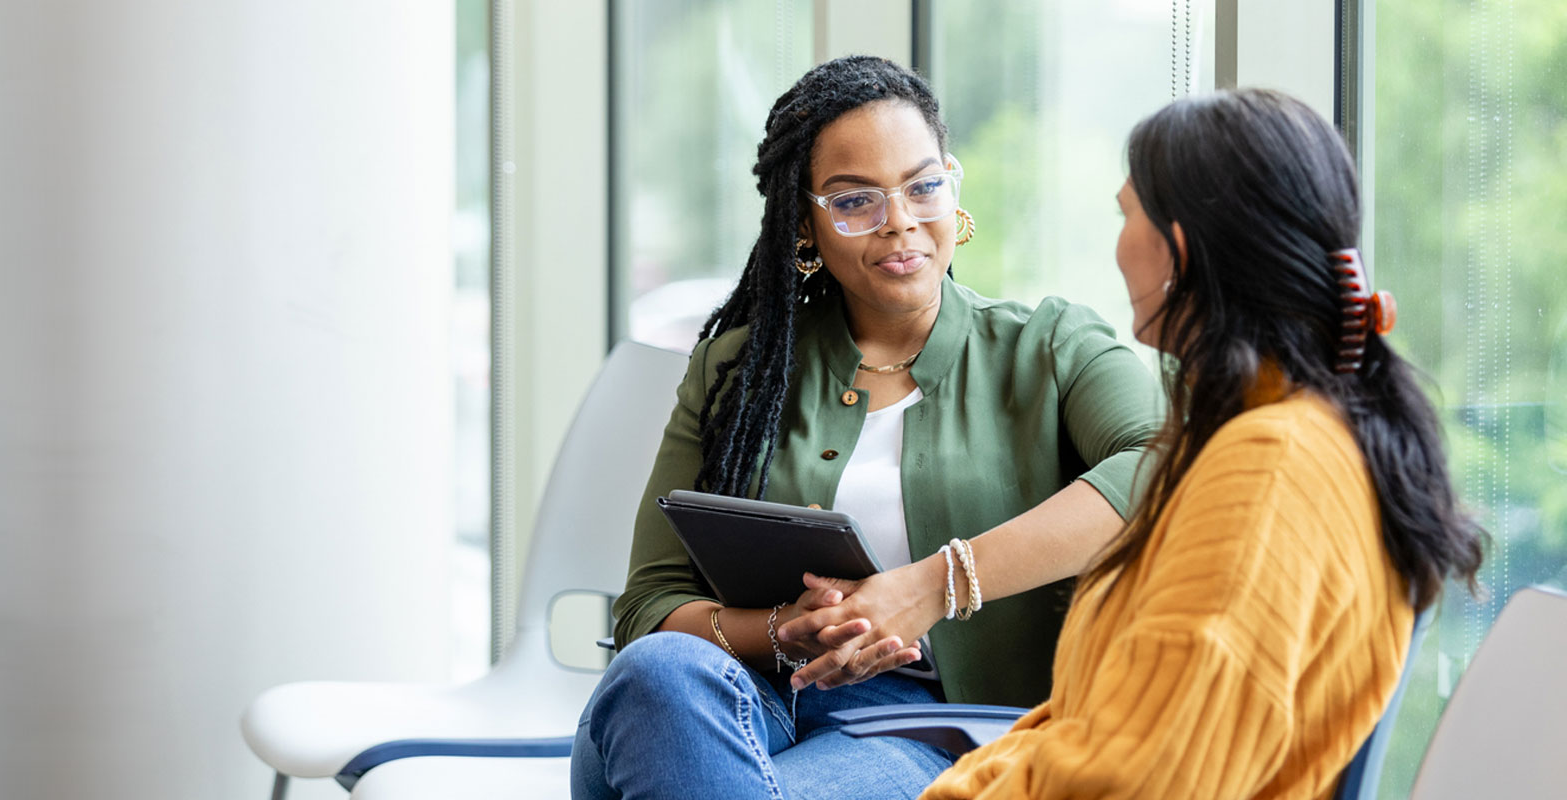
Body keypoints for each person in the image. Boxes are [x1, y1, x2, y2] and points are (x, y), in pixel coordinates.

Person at [569, 56, 1162, 800]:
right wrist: (785, 628)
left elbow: (1163, 469)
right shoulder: (737, 370)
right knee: (656, 673)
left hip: (926, 729)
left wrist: (932, 586)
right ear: (805, 222)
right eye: (855, 201)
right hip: (727, 704)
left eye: (922, 186)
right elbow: (650, 610)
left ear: (953, 183)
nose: (900, 223)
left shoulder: (1051, 347)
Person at [919, 88, 1487, 800]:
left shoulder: (1271, 469)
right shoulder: (1284, 437)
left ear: (1178, 249)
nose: (1118, 241)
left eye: (1126, 214)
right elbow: (1100, 729)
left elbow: (1141, 779)